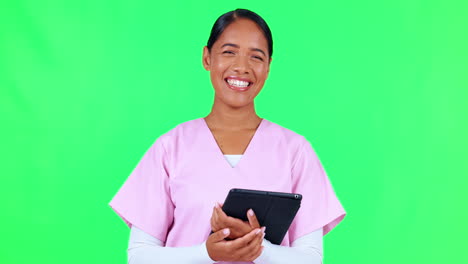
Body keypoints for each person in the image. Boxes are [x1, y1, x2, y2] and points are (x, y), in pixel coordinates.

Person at [109, 8, 346, 264]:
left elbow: (311, 259)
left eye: (256, 57)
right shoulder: (171, 148)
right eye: (229, 52)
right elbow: (140, 256)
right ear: (207, 58)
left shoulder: (295, 151)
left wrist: (258, 248)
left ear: (268, 67)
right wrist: (206, 254)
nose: (241, 67)